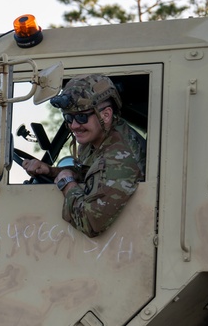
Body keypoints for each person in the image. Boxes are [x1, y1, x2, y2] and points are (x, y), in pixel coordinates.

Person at [21, 74, 145, 238]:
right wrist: (52, 172)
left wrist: (67, 184)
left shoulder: (120, 156)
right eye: (69, 117)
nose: (73, 126)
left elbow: (91, 222)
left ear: (105, 115)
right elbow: (91, 172)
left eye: (81, 117)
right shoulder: (98, 140)